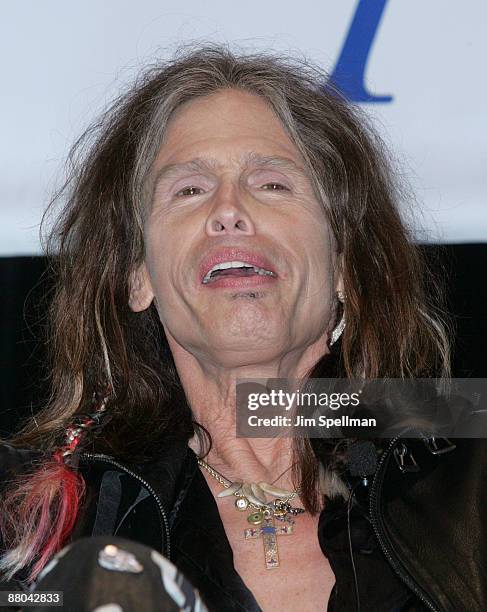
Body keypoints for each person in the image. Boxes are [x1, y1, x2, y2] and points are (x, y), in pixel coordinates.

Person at [0, 44, 486, 612]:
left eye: (272, 183)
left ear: (346, 268)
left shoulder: (465, 462)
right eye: (189, 189)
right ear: (139, 277)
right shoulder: (31, 518)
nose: (228, 209)